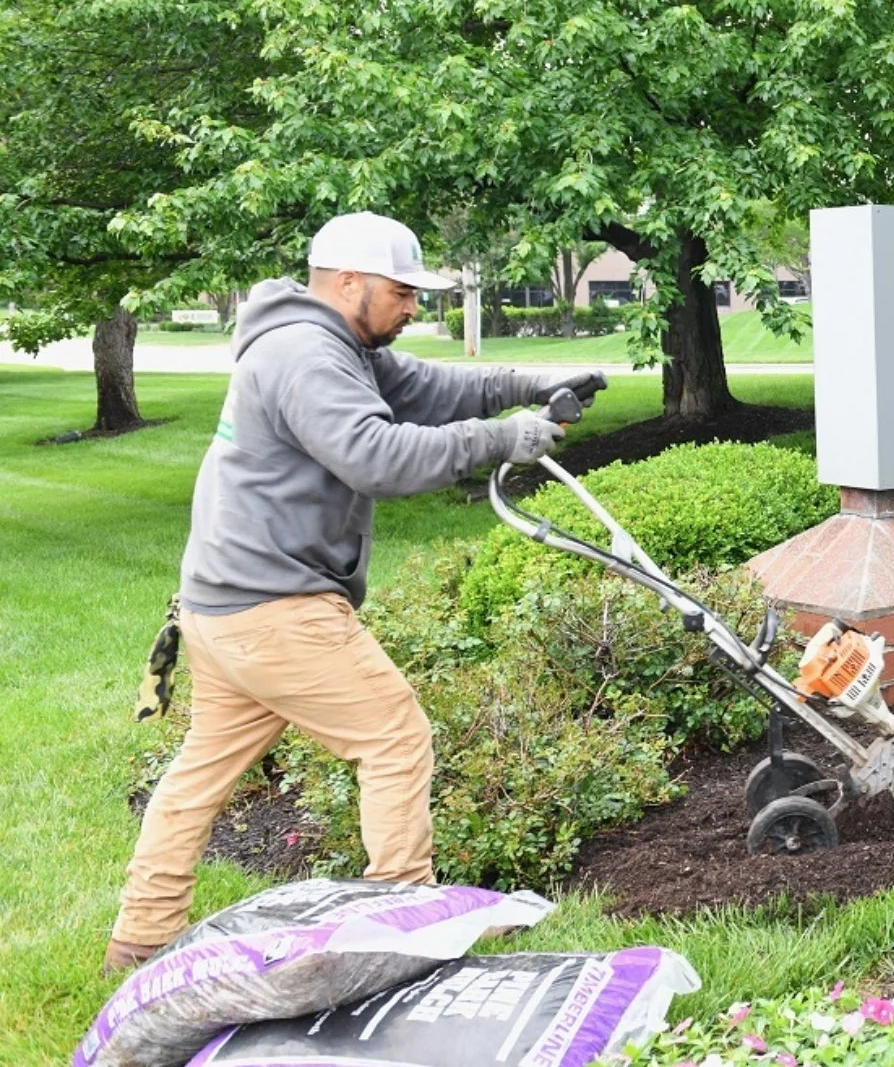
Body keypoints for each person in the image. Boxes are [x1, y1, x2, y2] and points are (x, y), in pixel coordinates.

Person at [104, 212, 608, 972]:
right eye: (402, 293)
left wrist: (538, 382)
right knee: (395, 738)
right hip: (276, 607)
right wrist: (504, 438)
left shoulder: (340, 345)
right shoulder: (310, 355)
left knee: (200, 773)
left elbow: (434, 389)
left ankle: (139, 937)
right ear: (348, 283)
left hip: (224, 602)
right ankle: (405, 925)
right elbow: (378, 457)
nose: (413, 309)